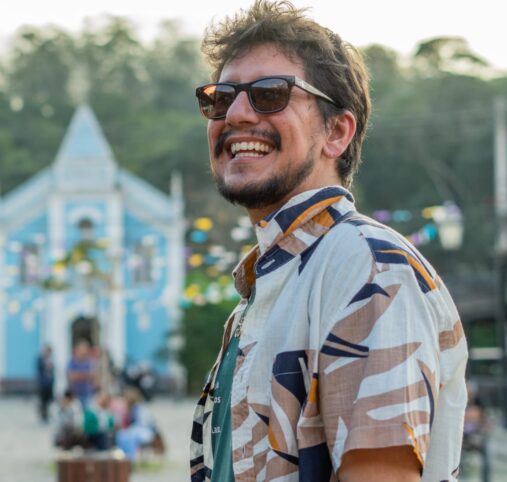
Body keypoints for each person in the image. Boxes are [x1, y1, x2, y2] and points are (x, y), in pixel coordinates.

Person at [190, 2, 468, 482]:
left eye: (269, 94)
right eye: (221, 98)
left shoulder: (366, 269)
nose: (235, 114)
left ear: (336, 132)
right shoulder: (266, 286)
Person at [67, 339, 97, 408]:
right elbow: (71, 376)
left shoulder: (90, 362)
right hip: (75, 395)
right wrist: (86, 375)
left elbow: (93, 376)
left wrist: (78, 375)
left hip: (87, 394)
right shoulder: (72, 362)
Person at [36, 344, 54, 422]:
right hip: (43, 384)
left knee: (49, 401)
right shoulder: (40, 359)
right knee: (43, 401)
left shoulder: (51, 360)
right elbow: (39, 369)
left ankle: (47, 415)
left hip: (50, 383)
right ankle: (43, 416)